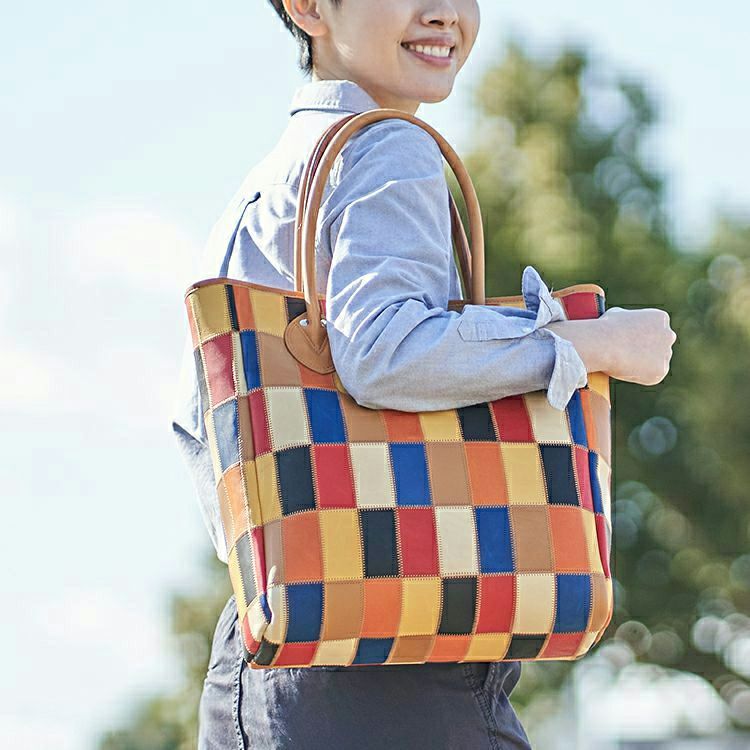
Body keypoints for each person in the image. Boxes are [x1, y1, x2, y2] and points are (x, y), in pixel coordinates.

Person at [170, 1, 678, 748]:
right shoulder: (391, 147)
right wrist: (583, 344)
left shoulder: (266, 184)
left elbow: (201, 432)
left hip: (264, 657)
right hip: (399, 659)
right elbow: (384, 350)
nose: (444, 13)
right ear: (308, 7)